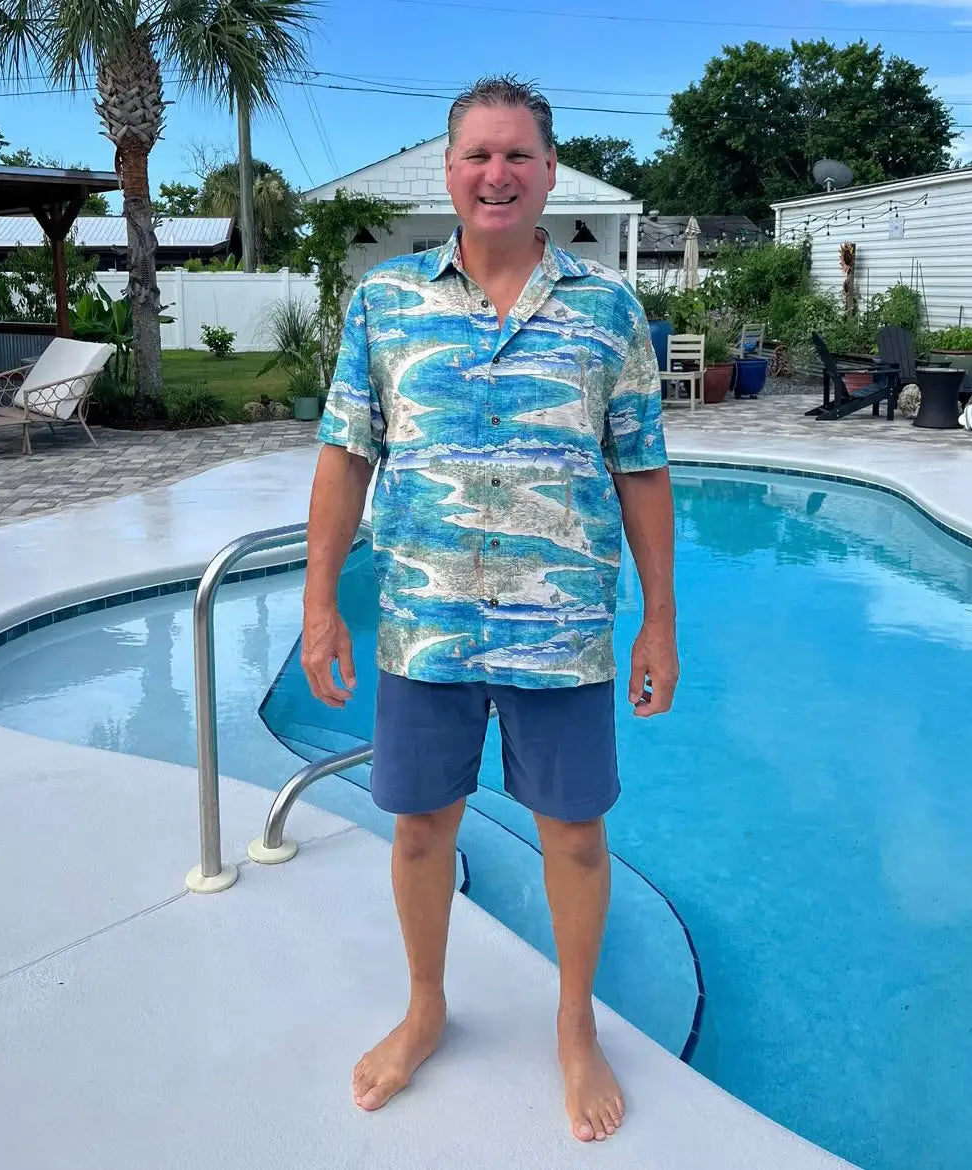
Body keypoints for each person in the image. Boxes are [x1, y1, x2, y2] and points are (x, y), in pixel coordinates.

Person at [301, 74, 678, 1144]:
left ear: (549, 169)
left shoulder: (609, 311)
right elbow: (345, 454)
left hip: (561, 627)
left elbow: (642, 469)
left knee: (577, 834)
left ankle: (574, 1027)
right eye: (478, 155)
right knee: (420, 827)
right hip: (423, 618)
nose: (497, 174)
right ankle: (426, 1007)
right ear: (451, 170)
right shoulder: (384, 301)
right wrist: (321, 600)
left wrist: (660, 618)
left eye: (517, 155)